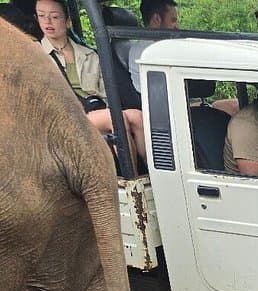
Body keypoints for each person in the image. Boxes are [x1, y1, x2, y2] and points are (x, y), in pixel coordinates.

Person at [35, 0, 146, 166]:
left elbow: (107, 93)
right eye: (42, 16)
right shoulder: (37, 56)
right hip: (65, 117)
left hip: (96, 110)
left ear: (67, 21)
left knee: (137, 116)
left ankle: (152, 176)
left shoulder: (89, 54)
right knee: (115, 118)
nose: (48, 22)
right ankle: (132, 182)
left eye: (55, 16)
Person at [127, 0, 178, 93]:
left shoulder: (158, 47)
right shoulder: (147, 51)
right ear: (156, 19)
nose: (177, 26)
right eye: (173, 21)